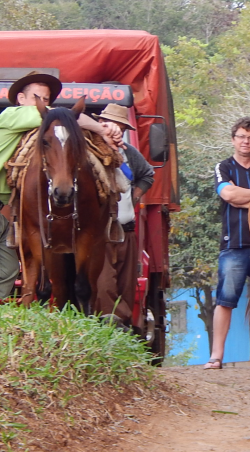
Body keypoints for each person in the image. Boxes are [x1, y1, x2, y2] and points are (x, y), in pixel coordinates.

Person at [0, 71, 119, 306]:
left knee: (7, 264)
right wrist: (102, 129)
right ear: (21, 99)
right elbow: (64, 118)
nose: (42, 104)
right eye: (37, 98)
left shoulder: (31, 131)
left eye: (46, 100)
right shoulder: (12, 115)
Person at [204, 117, 250, 369]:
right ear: (233, 139)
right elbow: (228, 194)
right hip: (233, 244)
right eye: (242, 136)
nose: (246, 141)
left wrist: (242, 196)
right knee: (225, 300)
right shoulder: (223, 167)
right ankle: (216, 356)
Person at [93, 103, 154, 326]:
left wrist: (133, 198)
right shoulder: (90, 150)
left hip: (126, 230)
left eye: (121, 128)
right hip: (99, 234)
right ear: (101, 124)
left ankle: (124, 330)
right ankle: (109, 328)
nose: (117, 132)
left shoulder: (128, 153)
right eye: (113, 126)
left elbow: (147, 175)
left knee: (126, 285)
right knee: (104, 285)